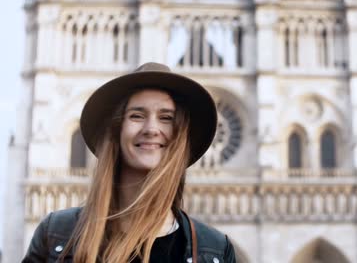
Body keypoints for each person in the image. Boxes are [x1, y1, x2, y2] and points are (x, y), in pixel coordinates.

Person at [22, 63, 236, 263]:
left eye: (166, 118)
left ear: (180, 136)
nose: (151, 129)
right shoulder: (56, 234)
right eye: (137, 115)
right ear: (117, 131)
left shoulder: (215, 249)